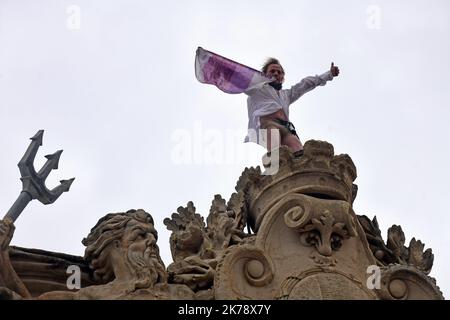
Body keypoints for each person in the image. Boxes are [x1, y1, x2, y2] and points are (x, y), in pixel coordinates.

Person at [0, 210, 194, 299]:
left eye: (153, 236)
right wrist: (2, 256)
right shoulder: (90, 296)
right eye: (140, 236)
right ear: (116, 245)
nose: (151, 241)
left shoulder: (179, 293)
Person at [245, 58, 340, 157]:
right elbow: (239, 77)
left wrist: (329, 75)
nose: (276, 74)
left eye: (279, 72)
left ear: (282, 76)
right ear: (264, 75)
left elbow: (305, 84)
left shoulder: (286, 94)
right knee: (277, 154)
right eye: (272, 71)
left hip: (287, 127)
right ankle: (274, 165)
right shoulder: (257, 89)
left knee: (300, 154)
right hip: (269, 124)